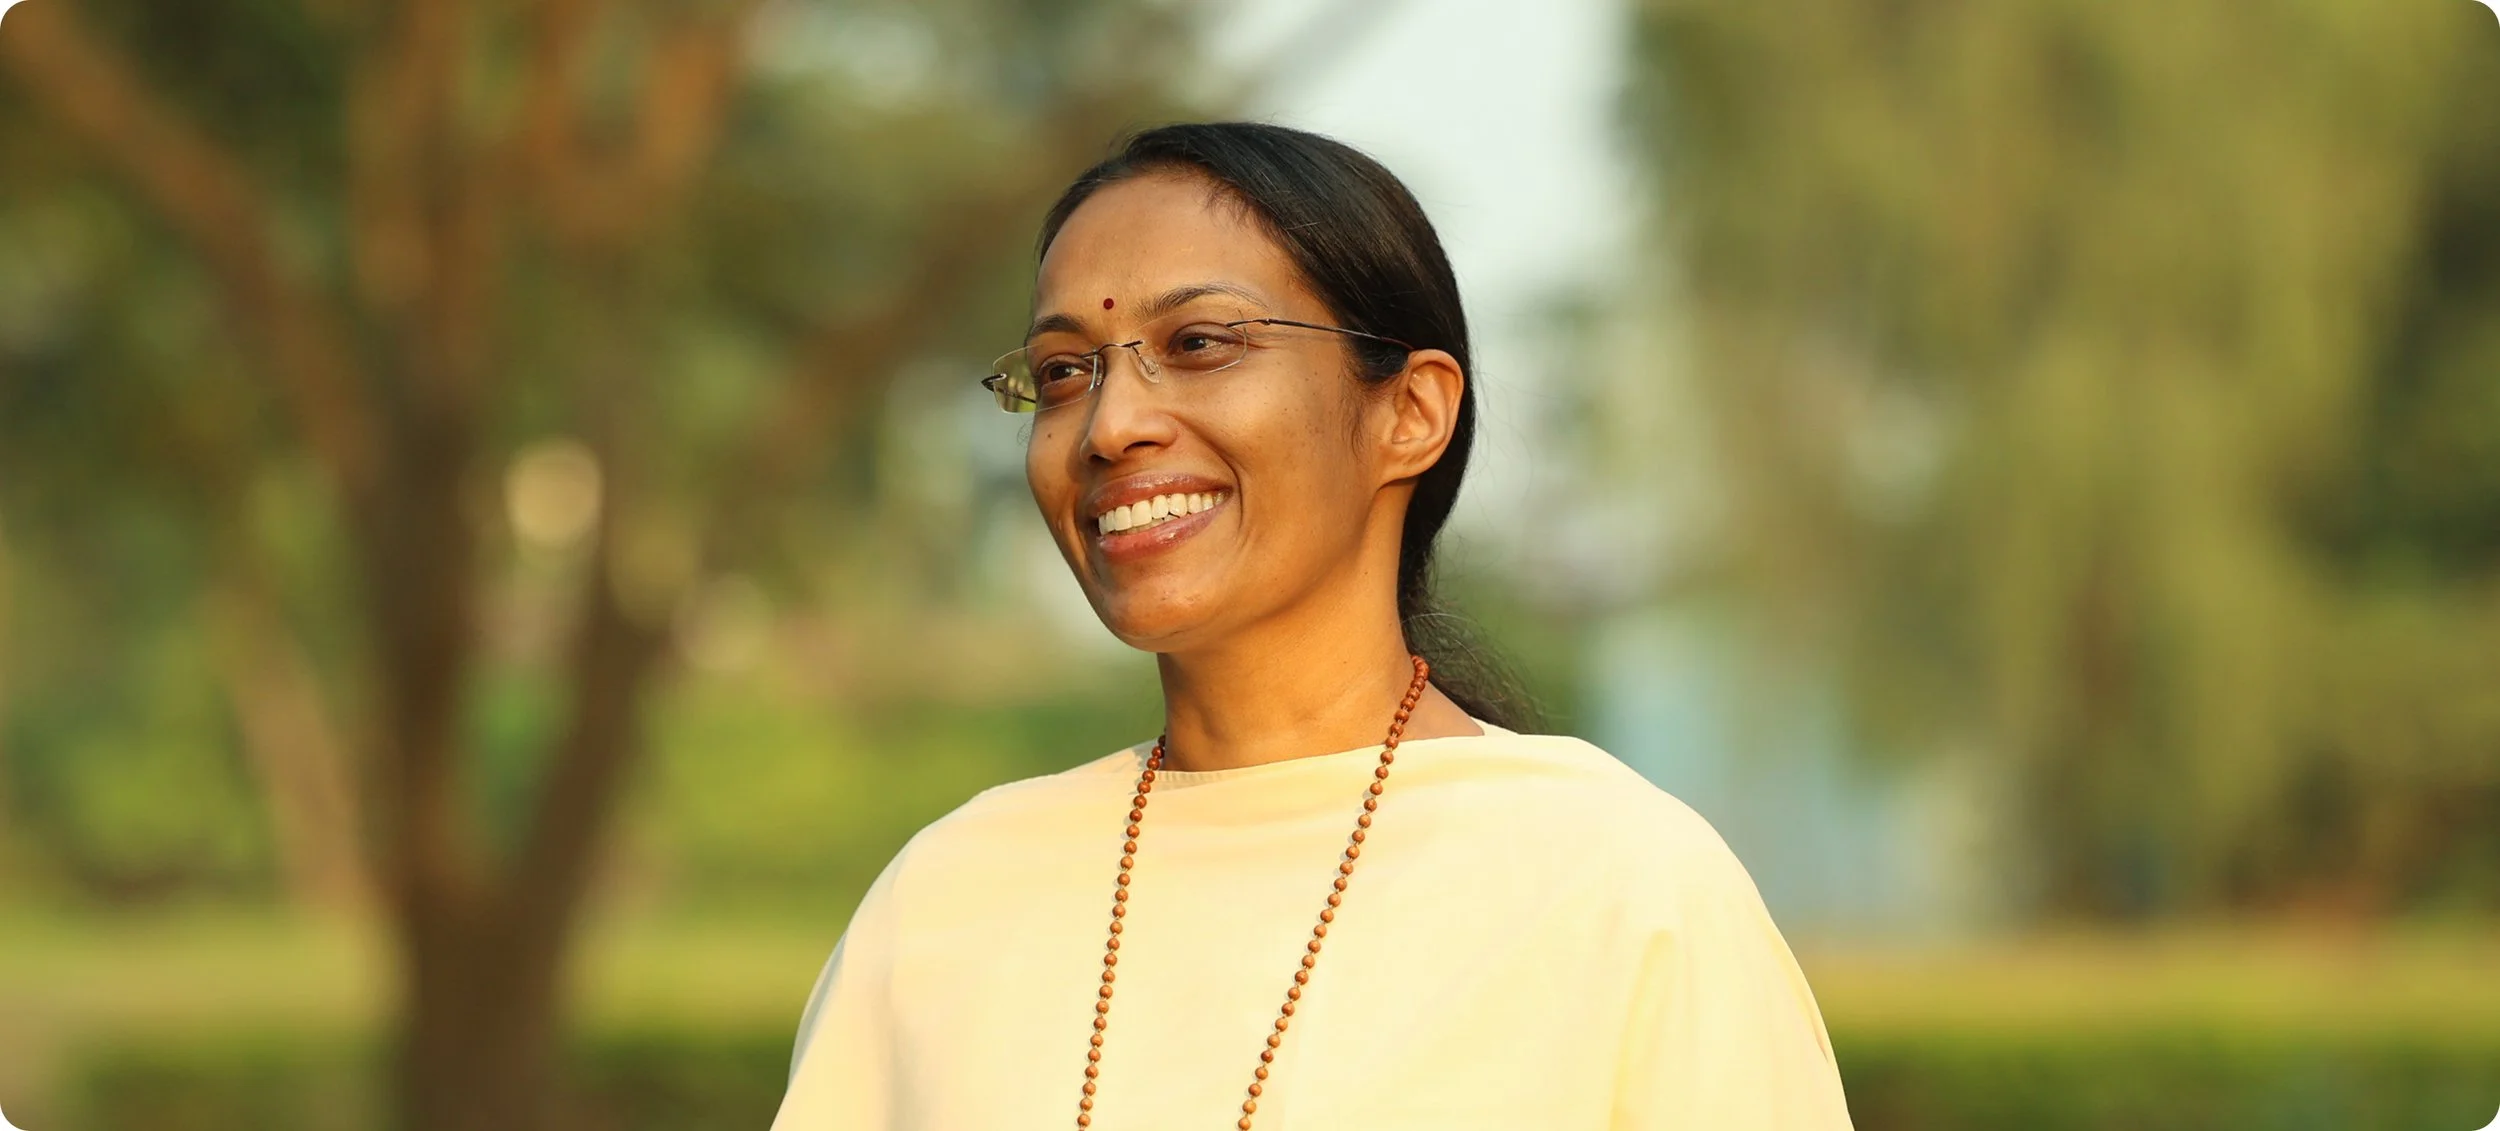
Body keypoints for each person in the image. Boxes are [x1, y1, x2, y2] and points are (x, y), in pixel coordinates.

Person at [769, 121, 1853, 1131]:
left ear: (1409, 412)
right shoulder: (949, 898)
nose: (1112, 425)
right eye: (1063, 372)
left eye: (1197, 342)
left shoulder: (1618, 887)